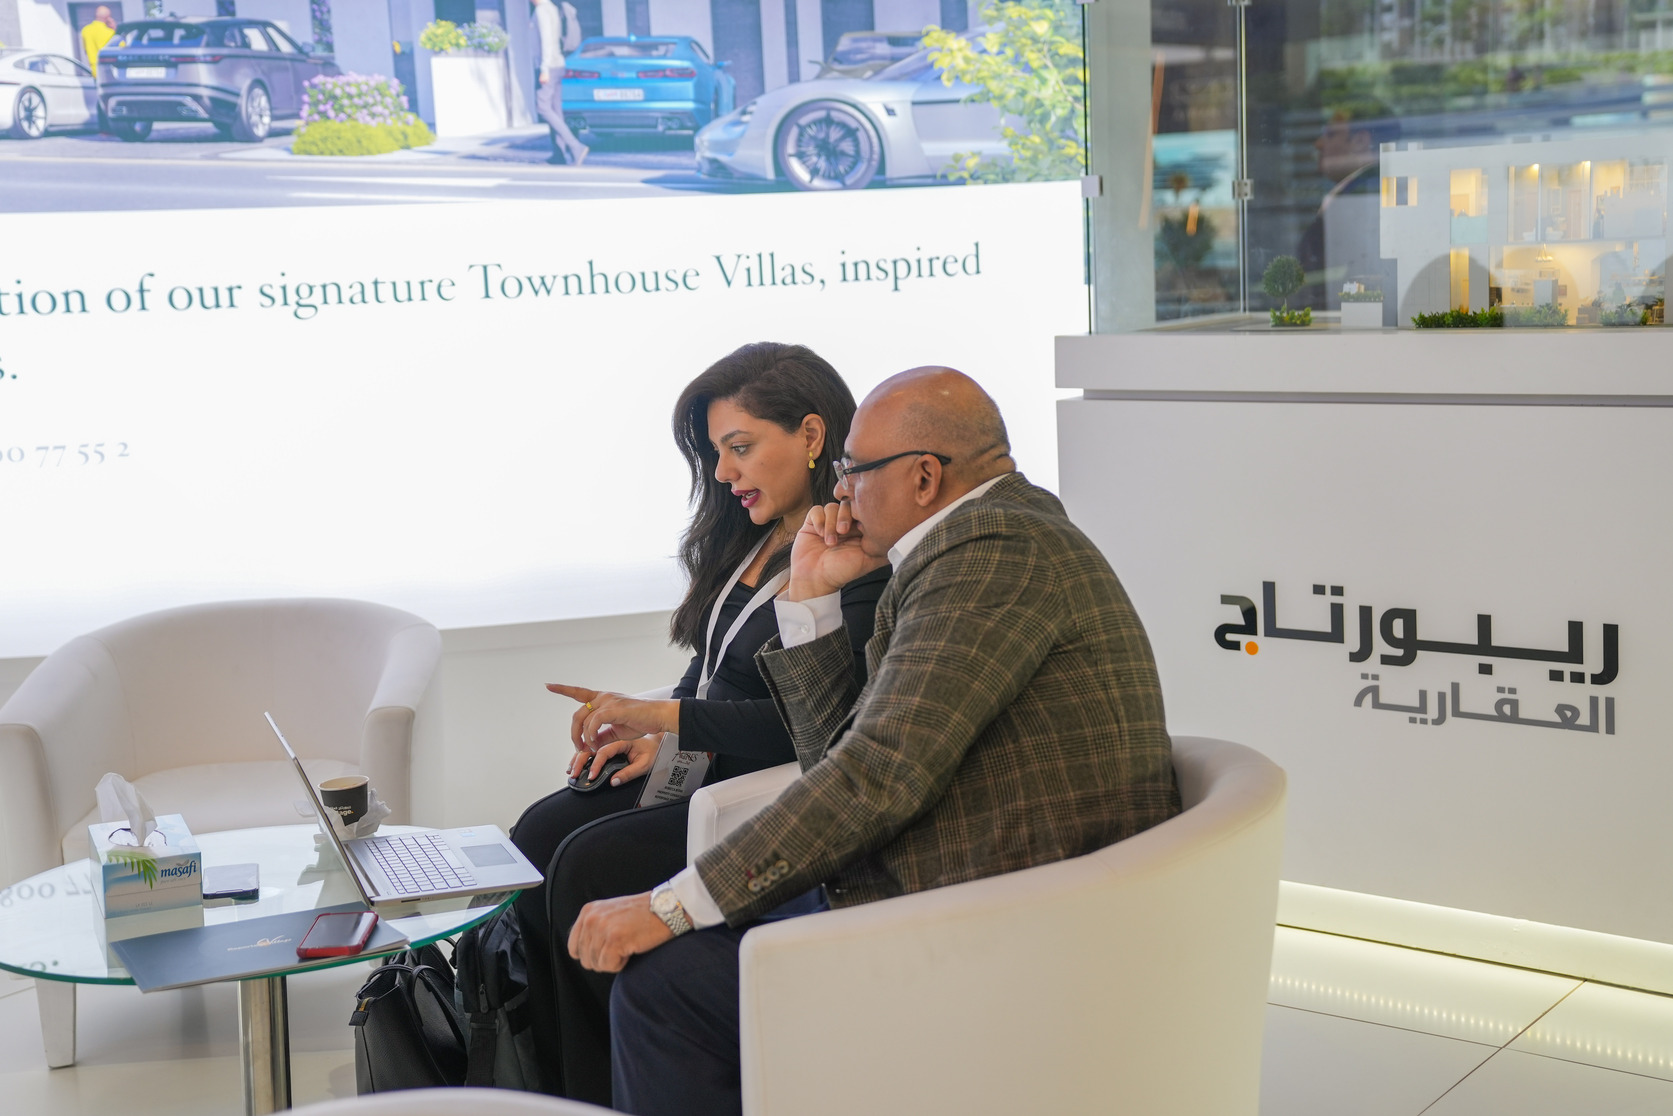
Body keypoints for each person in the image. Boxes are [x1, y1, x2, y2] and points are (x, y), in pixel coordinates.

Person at [565, 366, 1182, 1116]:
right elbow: (840, 754)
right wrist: (813, 598)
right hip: (967, 889)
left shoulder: (993, 553)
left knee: (666, 987)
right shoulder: (977, 542)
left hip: (998, 928)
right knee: (674, 958)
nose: (840, 491)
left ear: (923, 477)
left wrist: (671, 905)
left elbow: (876, 773)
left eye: (854, 470)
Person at [509, 342, 889, 1103]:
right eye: (716, 453)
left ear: (811, 436)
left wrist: (662, 716)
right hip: (707, 764)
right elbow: (709, 669)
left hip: (760, 789)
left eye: (739, 448)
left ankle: (604, 1086)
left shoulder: (854, 556)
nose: (721, 473)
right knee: (536, 836)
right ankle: (541, 1081)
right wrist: (657, 739)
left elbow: (805, 724)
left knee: (583, 864)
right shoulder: (748, 535)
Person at [530, 0, 588, 166]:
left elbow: (547, 40)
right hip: (558, 64)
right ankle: (559, 154)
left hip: (548, 67)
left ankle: (575, 146)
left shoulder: (542, 10)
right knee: (555, 110)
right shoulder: (552, 9)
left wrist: (544, 68)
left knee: (542, 108)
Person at [80, 6, 117, 78]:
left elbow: (85, 50)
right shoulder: (110, 32)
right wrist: (114, 29)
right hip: (109, 71)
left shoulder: (85, 30)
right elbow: (121, 48)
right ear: (108, 17)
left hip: (94, 71)